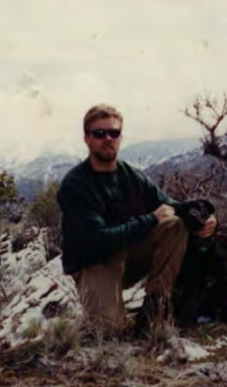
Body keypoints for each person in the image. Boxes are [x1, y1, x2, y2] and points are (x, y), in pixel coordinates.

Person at [57, 104, 217, 335]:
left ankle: (155, 308)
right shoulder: (76, 185)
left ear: (121, 137)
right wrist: (150, 220)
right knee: (109, 331)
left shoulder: (129, 175)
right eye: (99, 134)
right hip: (94, 261)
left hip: (128, 254)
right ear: (87, 139)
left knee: (175, 225)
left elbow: (170, 207)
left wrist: (208, 216)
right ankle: (104, 310)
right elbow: (96, 241)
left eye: (114, 133)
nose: (108, 139)